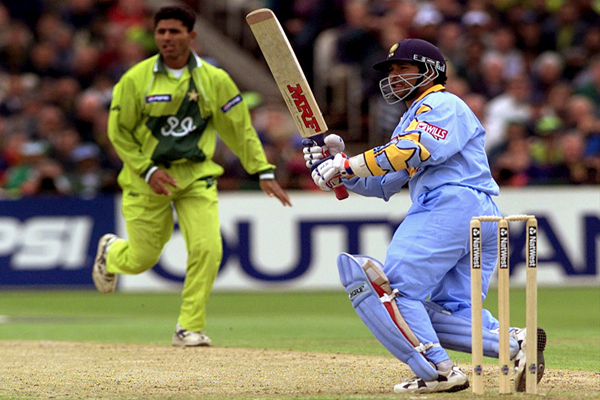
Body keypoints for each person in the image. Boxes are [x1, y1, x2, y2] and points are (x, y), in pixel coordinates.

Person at [304, 38, 546, 394]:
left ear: (430, 71)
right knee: (445, 311)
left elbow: (414, 148)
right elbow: (386, 181)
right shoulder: (412, 116)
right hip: (477, 216)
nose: (394, 76)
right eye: (392, 70)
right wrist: (341, 173)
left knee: (394, 292)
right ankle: (515, 344)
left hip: (451, 205)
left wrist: (350, 162)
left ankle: (439, 371)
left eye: (403, 68)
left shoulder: (440, 103)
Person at [92, 5, 291, 347]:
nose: (167, 38)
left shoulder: (215, 80)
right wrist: (148, 168)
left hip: (196, 177)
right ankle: (111, 253)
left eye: (174, 31)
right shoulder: (136, 79)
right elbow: (118, 132)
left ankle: (188, 327)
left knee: (208, 249)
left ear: (192, 36)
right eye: (161, 32)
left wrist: (262, 170)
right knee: (142, 259)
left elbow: (239, 129)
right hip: (147, 179)